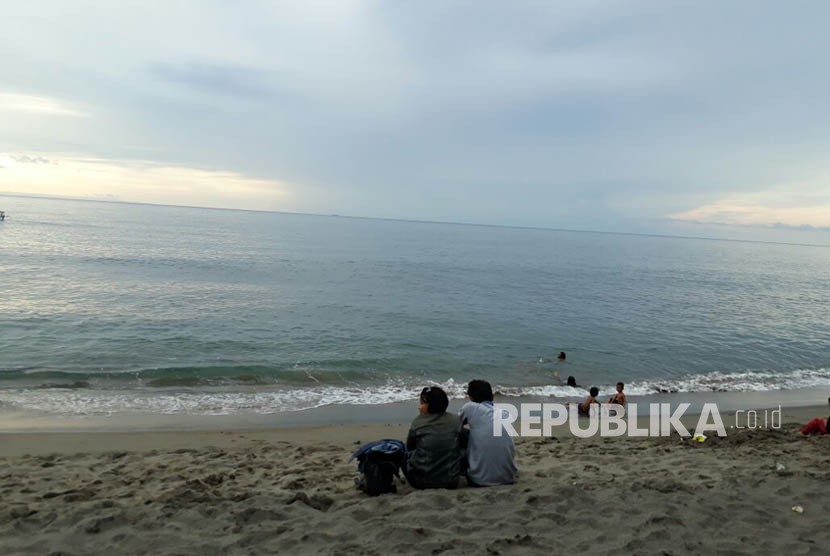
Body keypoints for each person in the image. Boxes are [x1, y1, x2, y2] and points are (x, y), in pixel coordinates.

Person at [458, 380, 517, 487]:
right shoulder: (506, 414)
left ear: (471, 397)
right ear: (492, 396)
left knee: (461, 434)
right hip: (508, 477)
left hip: (478, 479)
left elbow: (454, 426)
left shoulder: (470, 407)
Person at [404, 386, 462, 489]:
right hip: (452, 481)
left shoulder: (418, 422)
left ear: (428, 405)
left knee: (400, 451)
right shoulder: (456, 420)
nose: (420, 405)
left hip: (421, 482)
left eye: (422, 402)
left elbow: (410, 447)